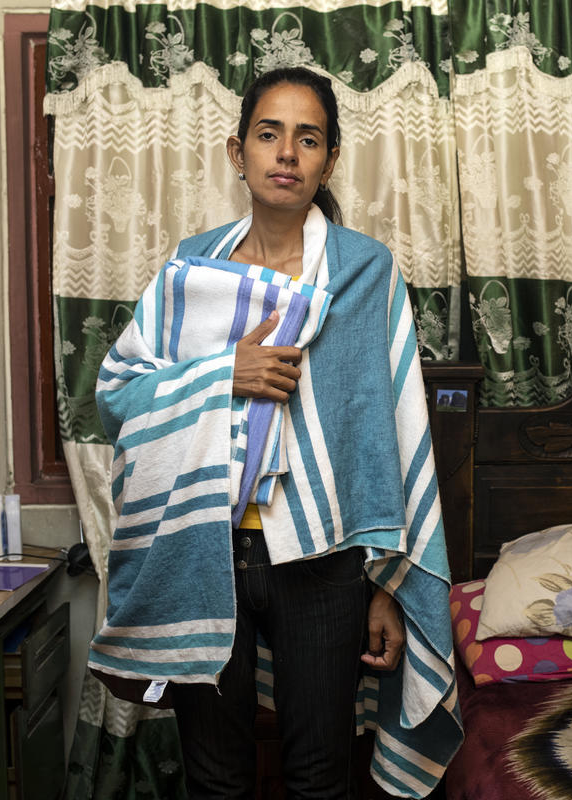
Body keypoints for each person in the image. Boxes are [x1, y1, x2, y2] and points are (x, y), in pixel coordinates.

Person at [91, 67, 461, 799]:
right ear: (239, 152)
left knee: (319, 776)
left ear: (329, 160)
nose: (287, 152)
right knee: (216, 777)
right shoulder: (191, 272)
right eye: (269, 134)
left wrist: (386, 587)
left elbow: (387, 434)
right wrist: (222, 374)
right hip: (203, 547)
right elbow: (118, 399)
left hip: (323, 559)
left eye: (308, 138)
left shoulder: (364, 273)